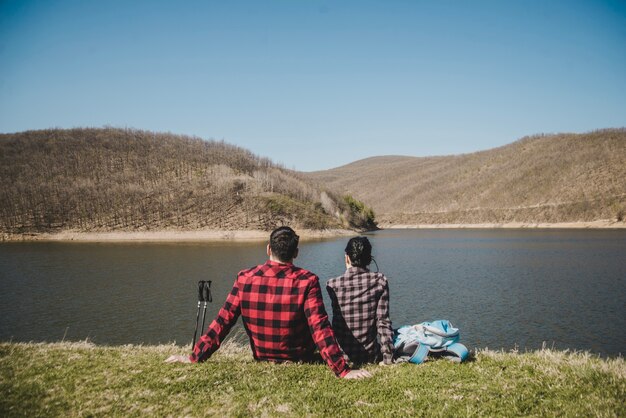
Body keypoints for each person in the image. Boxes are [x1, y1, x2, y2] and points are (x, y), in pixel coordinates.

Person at [166, 226, 371, 379]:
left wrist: (195, 356)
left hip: (262, 356)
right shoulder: (307, 281)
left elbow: (223, 321)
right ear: (296, 253)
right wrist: (342, 370)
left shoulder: (244, 278)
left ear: (268, 249)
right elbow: (320, 329)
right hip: (299, 357)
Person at [326, 236, 394, 365]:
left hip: (342, 356)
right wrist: (388, 359)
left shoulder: (332, 285)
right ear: (369, 258)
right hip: (370, 356)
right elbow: (383, 322)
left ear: (347, 257)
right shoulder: (380, 281)